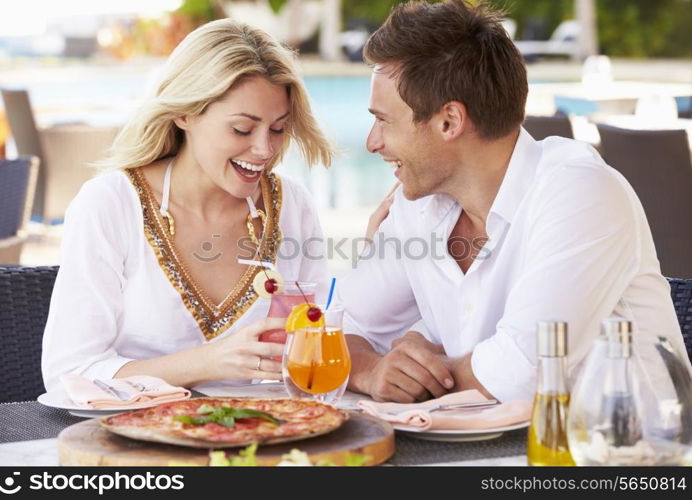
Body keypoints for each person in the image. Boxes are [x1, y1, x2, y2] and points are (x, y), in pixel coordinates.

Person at [337, 0, 691, 403]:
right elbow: (331, 329)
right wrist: (371, 371)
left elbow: (526, 370)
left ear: (449, 122)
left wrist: (427, 374)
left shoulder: (581, 192)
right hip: (480, 451)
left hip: (626, 453)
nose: (372, 142)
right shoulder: (417, 206)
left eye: (383, 120)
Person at [42, 19, 333, 392]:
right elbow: (68, 375)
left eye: (278, 129)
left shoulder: (292, 205)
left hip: (260, 438)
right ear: (185, 114)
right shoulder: (110, 205)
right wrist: (207, 362)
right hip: (135, 441)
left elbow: (319, 339)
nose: (265, 150)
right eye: (242, 129)